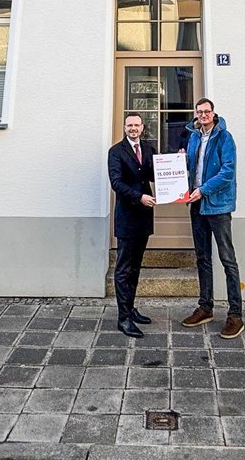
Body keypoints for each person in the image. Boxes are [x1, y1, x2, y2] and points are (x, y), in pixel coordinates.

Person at [180, 98, 243, 339]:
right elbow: (193, 166)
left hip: (217, 206)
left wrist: (203, 190)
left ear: (213, 113)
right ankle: (205, 308)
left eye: (207, 111)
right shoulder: (194, 136)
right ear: (196, 115)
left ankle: (235, 315)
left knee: (228, 260)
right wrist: (181, 159)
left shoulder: (225, 137)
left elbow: (227, 172)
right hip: (196, 206)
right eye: (199, 112)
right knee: (202, 258)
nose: (203, 115)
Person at [107, 112, 156, 337]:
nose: (133, 128)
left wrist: (177, 159)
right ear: (124, 127)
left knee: (136, 266)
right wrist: (139, 197)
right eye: (129, 125)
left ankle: (130, 307)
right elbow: (116, 183)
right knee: (124, 268)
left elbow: (156, 174)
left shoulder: (147, 149)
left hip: (144, 218)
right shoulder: (115, 152)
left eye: (137, 125)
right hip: (127, 217)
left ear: (142, 127)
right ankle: (123, 318)